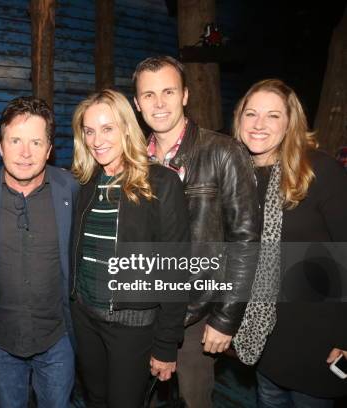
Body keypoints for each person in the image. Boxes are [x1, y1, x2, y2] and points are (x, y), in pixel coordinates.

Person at [132, 55, 260, 407]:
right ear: (136, 102)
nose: (159, 103)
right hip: (143, 310)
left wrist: (225, 317)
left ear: (185, 95)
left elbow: (246, 242)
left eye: (169, 92)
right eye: (148, 95)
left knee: (193, 401)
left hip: (196, 314)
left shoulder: (222, 152)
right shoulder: (133, 160)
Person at [70, 89, 190, 408]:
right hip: (84, 317)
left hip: (131, 325)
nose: (97, 140)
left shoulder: (161, 183)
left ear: (126, 127)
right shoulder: (83, 183)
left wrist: (166, 345)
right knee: (95, 398)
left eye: (107, 128)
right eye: (90, 131)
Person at [232, 79, 347, 407]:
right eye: (251, 114)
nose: (258, 124)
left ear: (290, 123)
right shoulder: (240, 178)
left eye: (272, 116)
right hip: (265, 339)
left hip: (320, 340)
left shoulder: (319, 170)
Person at [0, 97, 78, 408]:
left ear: (49, 148)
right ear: (0, 146)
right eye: (15, 140)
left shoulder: (69, 188)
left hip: (58, 340)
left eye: (35, 141)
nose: (25, 152)